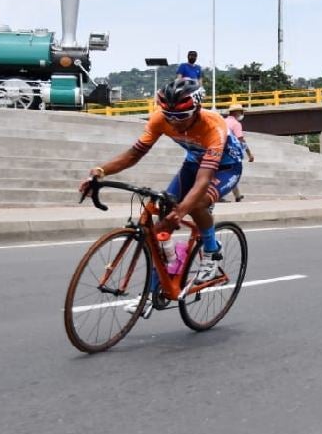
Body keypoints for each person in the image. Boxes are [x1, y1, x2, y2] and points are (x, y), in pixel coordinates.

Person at [79, 78, 244, 312]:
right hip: (193, 163)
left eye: (181, 116)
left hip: (225, 168)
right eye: (169, 115)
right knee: (161, 219)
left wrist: (182, 210)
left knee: (195, 204)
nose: (174, 123)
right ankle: (154, 289)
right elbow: (134, 154)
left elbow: (204, 179)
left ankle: (211, 250)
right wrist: (101, 171)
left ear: (196, 108)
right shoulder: (160, 119)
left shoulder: (214, 125)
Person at [224, 104, 256, 202]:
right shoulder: (236, 124)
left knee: (228, 173)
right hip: (231, 153)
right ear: (236, 112)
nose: (242, 114)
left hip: (219, 150)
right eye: (241, 112)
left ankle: (238, 195)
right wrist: (249, 154)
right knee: (233, 174)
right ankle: (218, 195)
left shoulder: (223, 121)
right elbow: (241, 139)